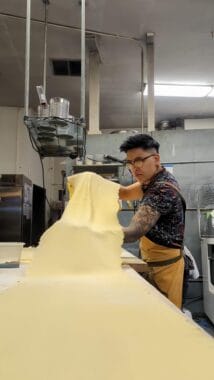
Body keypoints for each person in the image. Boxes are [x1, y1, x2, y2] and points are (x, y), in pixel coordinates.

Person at [119, 134, 186, 308]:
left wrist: (91, 231)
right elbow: (125, 193)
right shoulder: (151, 181)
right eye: (130, 162)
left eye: (139, 160)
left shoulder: (162, 189)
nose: (135, 168)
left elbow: (133, 232)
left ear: (156, 159)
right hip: (152, 261)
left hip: (166, 269)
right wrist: (92, 183)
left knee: (167, 320)